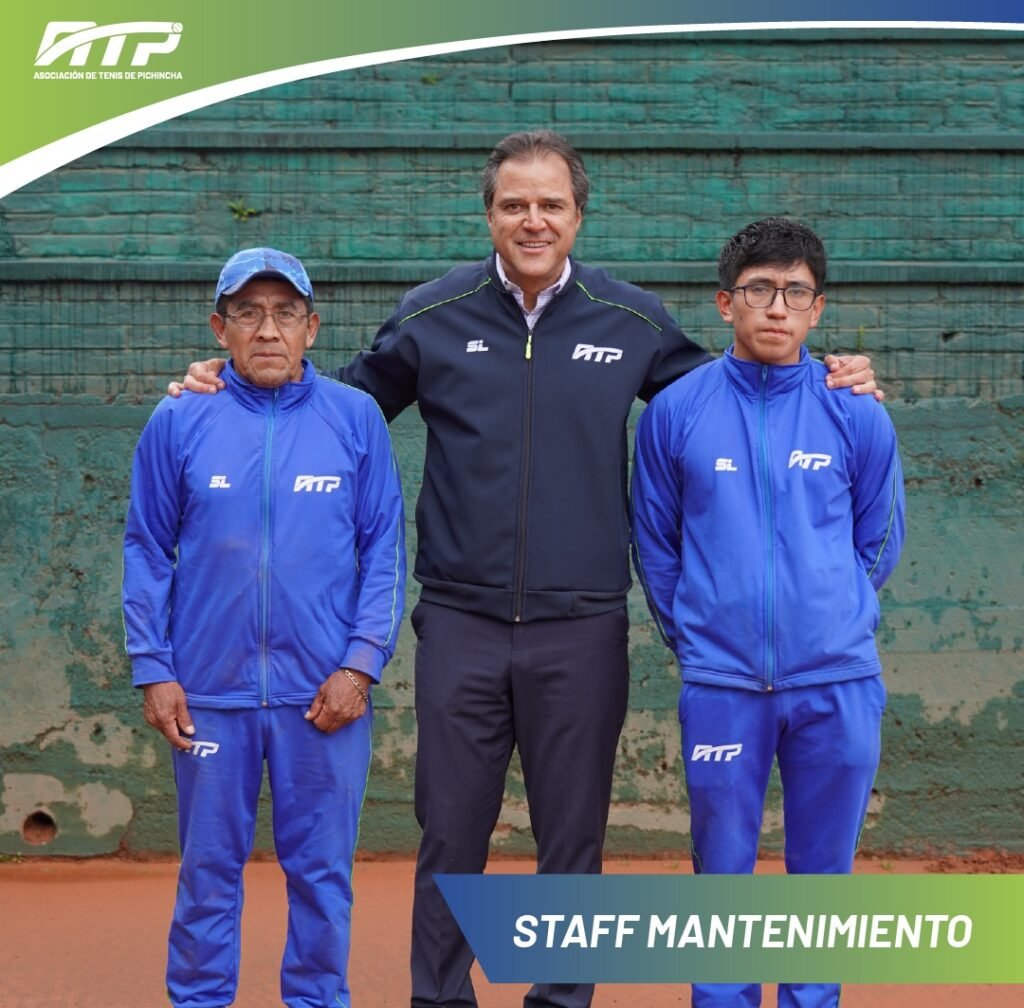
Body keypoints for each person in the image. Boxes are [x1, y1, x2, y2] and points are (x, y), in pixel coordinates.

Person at [170, 133, 879, 1008]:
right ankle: (441, 999)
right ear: (491, 216)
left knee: (572, 841)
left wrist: (836, 374)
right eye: (515, 204)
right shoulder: (434, 314)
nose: (533, 220)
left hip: (582, 628)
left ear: (578, 216)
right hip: (460, 624)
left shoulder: (630, 320)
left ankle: (560, 1000)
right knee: (450, 833)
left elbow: (741, 387)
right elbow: (331, 405)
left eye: (551, 204)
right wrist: (229, 380)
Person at [631, 217, 905, 1008]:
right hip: (722, 688)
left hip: (838, 684)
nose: (777, 307)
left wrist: (834, 616)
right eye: (759, 290)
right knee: (723, 880)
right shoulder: (675, 413)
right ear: (726, 303)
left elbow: (878, 539)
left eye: (795, 292)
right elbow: (656, 547)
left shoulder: (856, 412)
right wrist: (705, 642)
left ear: (818, 308)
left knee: (821, 881)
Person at [123, 247, 406, 1008]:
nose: (268, 329)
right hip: (208, 695)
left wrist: (360, 665)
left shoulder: (355, 418)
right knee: (208, 872)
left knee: (321, 876)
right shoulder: (180, 417)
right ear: (221, 329)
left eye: (285, 313)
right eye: (248, 313)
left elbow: (384, 549)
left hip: (324, 696)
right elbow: (146, 547)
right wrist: (154, 667)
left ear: (312, 327)